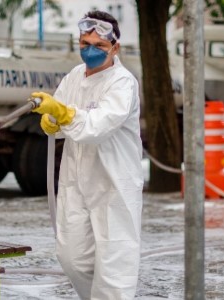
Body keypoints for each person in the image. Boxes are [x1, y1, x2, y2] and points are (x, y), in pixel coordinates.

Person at [31, 10, 143, 299]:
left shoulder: (122, 82)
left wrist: (64, 114)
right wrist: (52, 121)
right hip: (76, 182)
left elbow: (98, 126)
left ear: (115, 48)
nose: (90, 51)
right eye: (84, 44)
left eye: (99, 46)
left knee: (114, 266)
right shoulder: (74, 77)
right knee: (72, 257)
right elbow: (59, 122)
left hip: (113, 185)